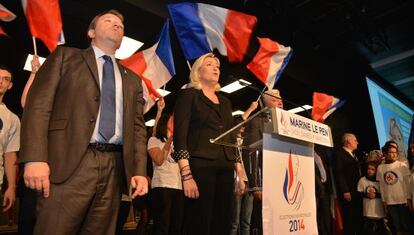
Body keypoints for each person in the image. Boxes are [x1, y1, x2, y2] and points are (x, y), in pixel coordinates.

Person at [19, 9, 148, 235]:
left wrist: (138, 170)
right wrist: (34, 158)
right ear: (91, 32)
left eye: (120, 24)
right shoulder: (64, 57)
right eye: (108, 21)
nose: (117, 25)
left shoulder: (133, 80)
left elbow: (137, 129)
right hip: (68, 164)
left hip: (114, 169)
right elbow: (37, 107)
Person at [173, 53, 247, 235]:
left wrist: (239, 171)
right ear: (198, 72)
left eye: (218, 66)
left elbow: (231, 139)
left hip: (226, 167)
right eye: (209, 64)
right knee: (199, 222)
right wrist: (186, 175)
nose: (216, 68)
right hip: (200, 167)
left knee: (223, 222)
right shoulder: (188, 95)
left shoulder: (226, 102)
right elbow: (179, 135)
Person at [241, 89, 284, 234]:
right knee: (264, 225)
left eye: (280, 99)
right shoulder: (256, 122)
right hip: (265, 184)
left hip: (285, 184)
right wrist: (256, 185)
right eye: (274, 99)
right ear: (265, 104)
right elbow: (250, 152)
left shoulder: (286, 125)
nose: (280, 101)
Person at [147, 98, 184, 235]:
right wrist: (168, 142)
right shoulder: (154, 140)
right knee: (163, 226)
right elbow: (159, 160)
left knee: (177, 226)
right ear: (165, 123)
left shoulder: (178, 142)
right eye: (171, 121)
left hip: (178, 187)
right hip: (162, 187)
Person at [376, 143, 411, 234]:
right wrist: (384, 200)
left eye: (395, 152)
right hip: (390, 201)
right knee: (396, 225)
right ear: (386, 154)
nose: (394, 154)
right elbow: (382, 185)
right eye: (391, 152)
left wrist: (408, 198)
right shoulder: (380, 167)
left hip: (403, 200)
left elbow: (407, 183)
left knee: (406, 224)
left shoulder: (401, 165)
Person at [333, 133, 362, 235]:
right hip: (348, 192)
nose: (357, 142)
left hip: (357, 191)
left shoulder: (354, 156)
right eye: (355, 140)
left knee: (357, 217)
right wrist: (345, 190)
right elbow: (339, 174)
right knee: (349, 218)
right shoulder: (339, 154)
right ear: (348, 141)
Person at [0, 65, 20, 213]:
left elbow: (10, 154)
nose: (0, 82)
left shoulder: (12, 119)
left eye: (5, 79)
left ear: (10, 85)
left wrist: (11, 187)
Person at [357, 162, 387, 235]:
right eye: (369, 169)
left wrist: (376, 195)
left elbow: (385, 194)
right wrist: (367, 195)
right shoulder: (362, 180)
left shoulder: (380, 181)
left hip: (379, 211)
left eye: (372, 169)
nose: (370, 171)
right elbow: (358, 194)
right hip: (367, 211)